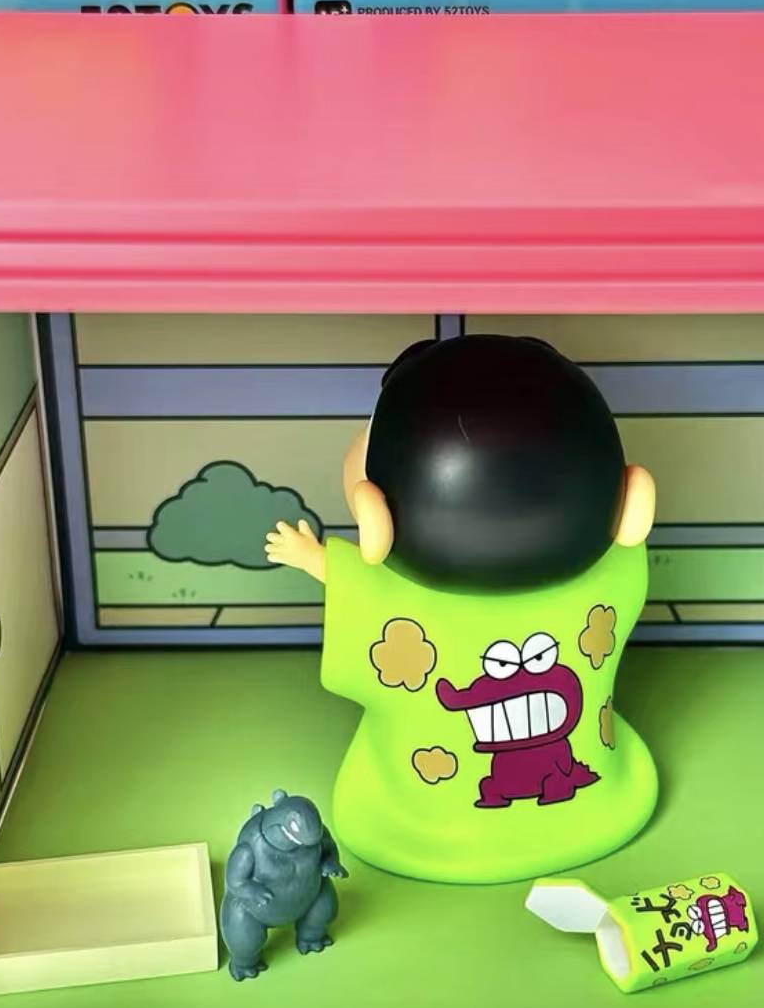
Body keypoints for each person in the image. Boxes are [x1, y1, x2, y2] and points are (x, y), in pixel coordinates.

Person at [266, 334, 660, 883]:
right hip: (601, 808)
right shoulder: (607, 585)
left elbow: (358, 586)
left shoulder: (396, 606)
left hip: (425, 831)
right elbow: (628, 530)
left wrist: (314, 558)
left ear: (379, 513)